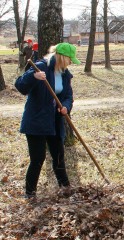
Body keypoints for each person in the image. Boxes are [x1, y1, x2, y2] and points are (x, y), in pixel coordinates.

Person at [15, 42, 81, 199]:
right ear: (62, 57)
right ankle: (30, 193)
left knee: (58, 155)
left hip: (55, 120)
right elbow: (20, 86)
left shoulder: (65, 73)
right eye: (70, 59)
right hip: (37, 120)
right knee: (38, 158)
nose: (71, 62)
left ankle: (65, 188)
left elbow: (68, 96)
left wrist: (65, 106)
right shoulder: (40, 67)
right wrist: (33, 76)